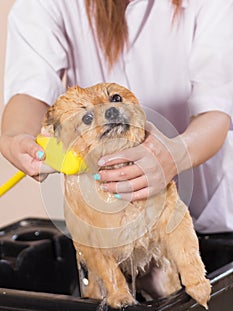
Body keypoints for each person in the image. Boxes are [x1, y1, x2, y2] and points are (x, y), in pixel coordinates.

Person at [1, 0, 233, 233]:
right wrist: (17, 137)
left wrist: (175, 155)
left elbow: (215, 111)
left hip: (211, 211)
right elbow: (30, 93)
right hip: (114, 217)